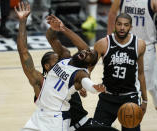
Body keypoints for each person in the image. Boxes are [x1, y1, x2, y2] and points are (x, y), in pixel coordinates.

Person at [15, 2, 105, 131]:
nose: (63, 57)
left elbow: (85, 54)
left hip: (79, 124)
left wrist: (59, 28)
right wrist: (22, 21)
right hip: (43, 119)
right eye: (56, 59)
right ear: (47, 66)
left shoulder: (74, 71)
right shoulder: (40, 81)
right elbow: (23, 51)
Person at [107, 0, 157, 130]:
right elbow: (112, 14)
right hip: (124, 47)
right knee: (120, 87)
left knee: (153, 89)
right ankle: (115, 123)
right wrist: (109, 39)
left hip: (146, 49)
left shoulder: (154, 1)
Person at [92, 13, 147, 131]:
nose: (122, 27)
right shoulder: (103, 43)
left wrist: (145, 100)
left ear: (130, 27)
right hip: (107, 97)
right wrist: (85, 85)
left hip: (129, 99)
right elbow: (89, 68)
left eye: (126, 25)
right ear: (114, 25)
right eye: (119, 24)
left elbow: (141, 74)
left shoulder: (139, 44)